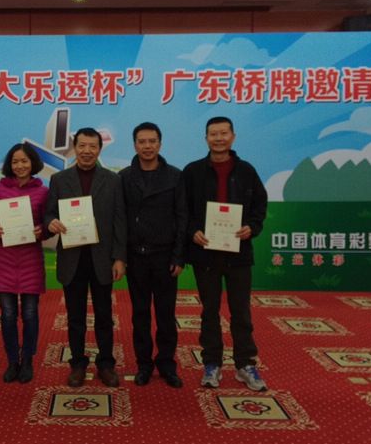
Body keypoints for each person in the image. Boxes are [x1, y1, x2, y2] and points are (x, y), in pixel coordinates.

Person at [182, 117, 268, 391]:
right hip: (205, 253)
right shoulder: (193, 171)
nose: (218, 138)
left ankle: (245, 364)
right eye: (213, 134)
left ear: (233, 137)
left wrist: (252, 227)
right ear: (206, 138)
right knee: (209, 311)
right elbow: (183, 209)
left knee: (241, 311)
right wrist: (192, 231)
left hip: (238, 253)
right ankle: (212, 364)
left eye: (223, 133)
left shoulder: (246, 170)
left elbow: (260, 205)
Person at [44, 127, 127, 388]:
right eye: (82, 146)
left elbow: (120, 221)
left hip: (102, 258)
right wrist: (51, 222)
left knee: (104, 316)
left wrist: (119, 258)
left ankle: (106, 363)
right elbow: (48, 213)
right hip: (73, 258)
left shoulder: (113, 180)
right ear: (75, 148)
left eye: (92, 146)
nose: (87, 151)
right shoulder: (59, 179)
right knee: (75, 317)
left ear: (99, 149)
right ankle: (78, 363)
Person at [119, 122, 187, 389]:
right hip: (136, 257)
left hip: (165, 258)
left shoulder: (175, 176)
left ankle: (167, 364)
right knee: (140, 314)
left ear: (160, 143)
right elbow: (119, 220)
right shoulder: (124, 177)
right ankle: (144, 364)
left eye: (152, 141)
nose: (147, 146)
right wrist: (121, 257)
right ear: (134, 144)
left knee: (166, 315)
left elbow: (182, 218)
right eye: (142, 141)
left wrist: (179, 257)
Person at [0, 143, 50, 384]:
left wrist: (42, 230)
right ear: (9, 165)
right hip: (4, 258)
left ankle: (28, 359)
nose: (20, 165)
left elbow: (48, 223)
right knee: (8, 314)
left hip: (31, 258)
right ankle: (12, 360)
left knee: (30, 313)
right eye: (15, 162)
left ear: (33, 163)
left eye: (24, 161)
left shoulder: (43, 191)